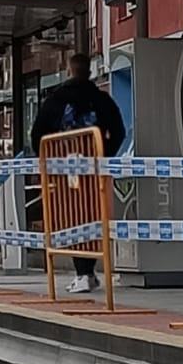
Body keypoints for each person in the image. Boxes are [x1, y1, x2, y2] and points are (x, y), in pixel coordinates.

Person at [29, 52, 126, 295]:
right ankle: (88, 270)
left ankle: (83, 273)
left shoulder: (55, 100)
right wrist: (104, 155)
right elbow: (119, 131)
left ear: (68, 70)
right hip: (94, 168)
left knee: (71, 216)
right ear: (90, 72)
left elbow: (37, 135)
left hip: (65, 171)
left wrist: (49, 161)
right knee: (93, 215)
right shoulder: (102, 100)